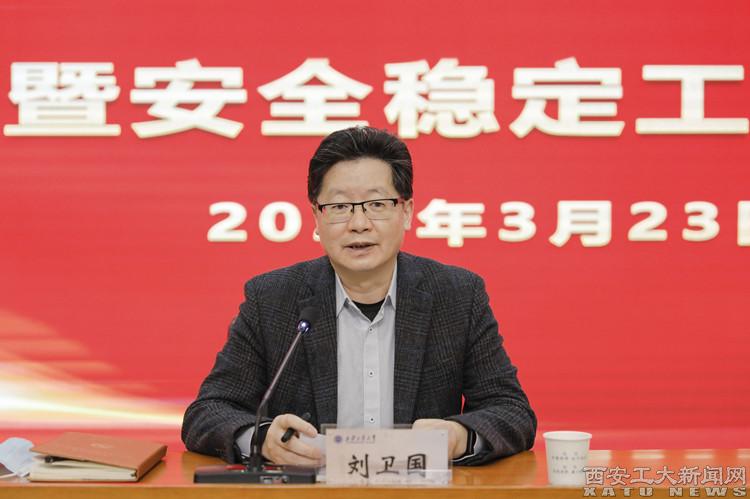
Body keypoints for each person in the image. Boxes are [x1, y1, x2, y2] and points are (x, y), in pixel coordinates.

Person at [181, 126, 536, 466]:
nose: (359, 224)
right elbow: (207, 412)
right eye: (339, 207)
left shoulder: (457, 295)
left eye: (377, 204)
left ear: (406, 212)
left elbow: (512, 411)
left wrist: (459, 437)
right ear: (316, 217)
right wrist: (262, 439)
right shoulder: (272, 299)